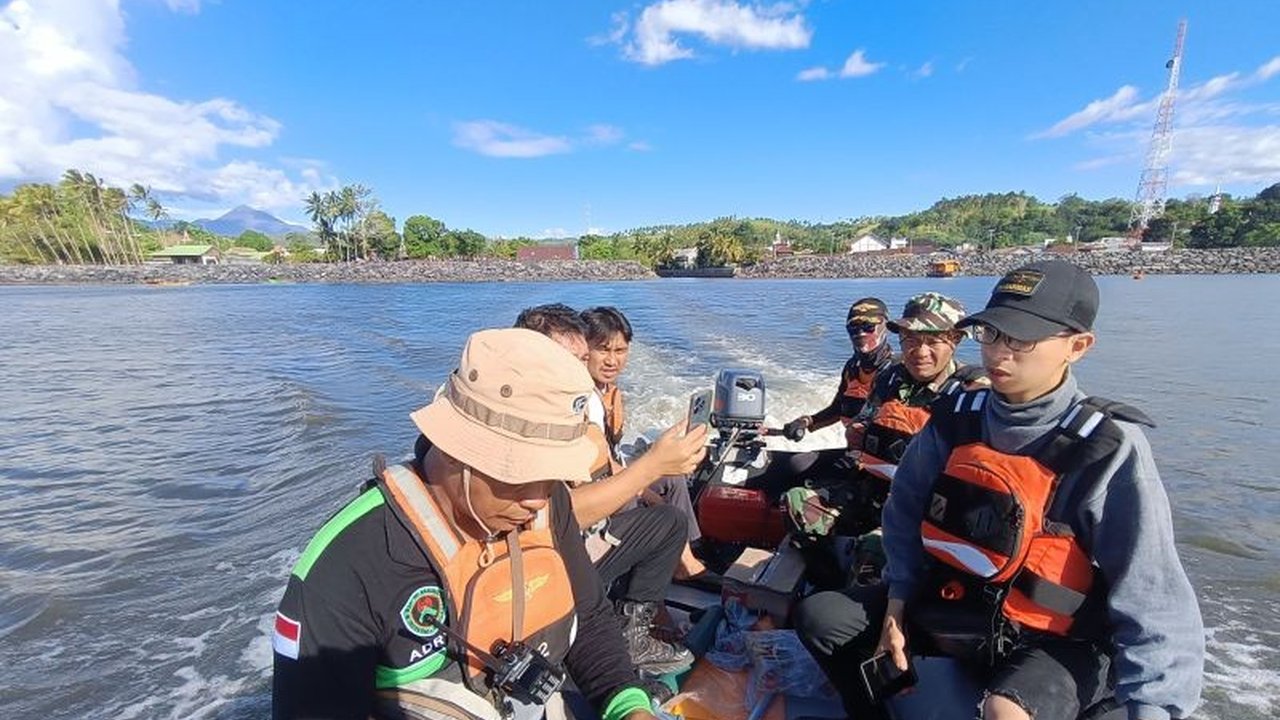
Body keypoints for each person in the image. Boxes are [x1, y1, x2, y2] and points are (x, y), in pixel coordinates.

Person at [794, 260, 1205, 720]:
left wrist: (1155, 706)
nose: (998, 353)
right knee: (822, 617)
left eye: (1020, 339)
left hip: (1052, 636)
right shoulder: (957, 418)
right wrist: (897, 604)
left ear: (1078, 346)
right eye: (991, 333)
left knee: (1004, 711)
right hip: (959, 600)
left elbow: (1152, 591)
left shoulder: (1107, 447)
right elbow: (905, 510)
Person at [272, 328, 659, 720]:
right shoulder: (350, 563)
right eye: (520, 473)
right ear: (455, 449)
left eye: (552, 475)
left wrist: (629, 706)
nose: (537, 500)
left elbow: (588, 617)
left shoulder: (545, 501)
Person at [514, 304, 702, 674]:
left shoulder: (571, 412)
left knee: (666, 497)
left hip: (561, 546)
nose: (580, 372)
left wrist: (649, 478)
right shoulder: (539, 428)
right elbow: (559, 517)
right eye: (572, 361)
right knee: (667, 522)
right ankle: (635, 632)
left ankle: (672, 578)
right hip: (551, 567)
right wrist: (650, 471)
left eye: (580, 360)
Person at [783, 292, 984, 585]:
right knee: (797, 501)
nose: (920, 351)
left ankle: (863, 596)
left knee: (873, 553)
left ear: (955, 339)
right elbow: (864, 419)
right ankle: (828, 580)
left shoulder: (971, 392)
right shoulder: (890, 378)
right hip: (872, 490)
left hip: (920, 510)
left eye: (933, 341)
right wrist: (856, 432)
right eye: (910, 339)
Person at [579, 306, 707, 579]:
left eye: (620, 351)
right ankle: (681, 564)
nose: (612, 361)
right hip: (595, 488)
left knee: (673, 479)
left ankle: (685, 556)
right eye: (603, 350)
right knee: (650, 502)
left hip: (614, 471)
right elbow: (602, 467)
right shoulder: (582, 399)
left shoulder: (607, 391)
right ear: (583, 349)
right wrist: (648, 494)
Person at [752, 298, 897, 499]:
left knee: (820, 478)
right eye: (853, 328)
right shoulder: (852, 367)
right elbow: (838, 408)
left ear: (884, 328)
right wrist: (805, 422)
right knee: (792, 466)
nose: (860, 333)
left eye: (868, 327)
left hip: (880, 464)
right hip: (853, 453)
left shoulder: (896, 373)